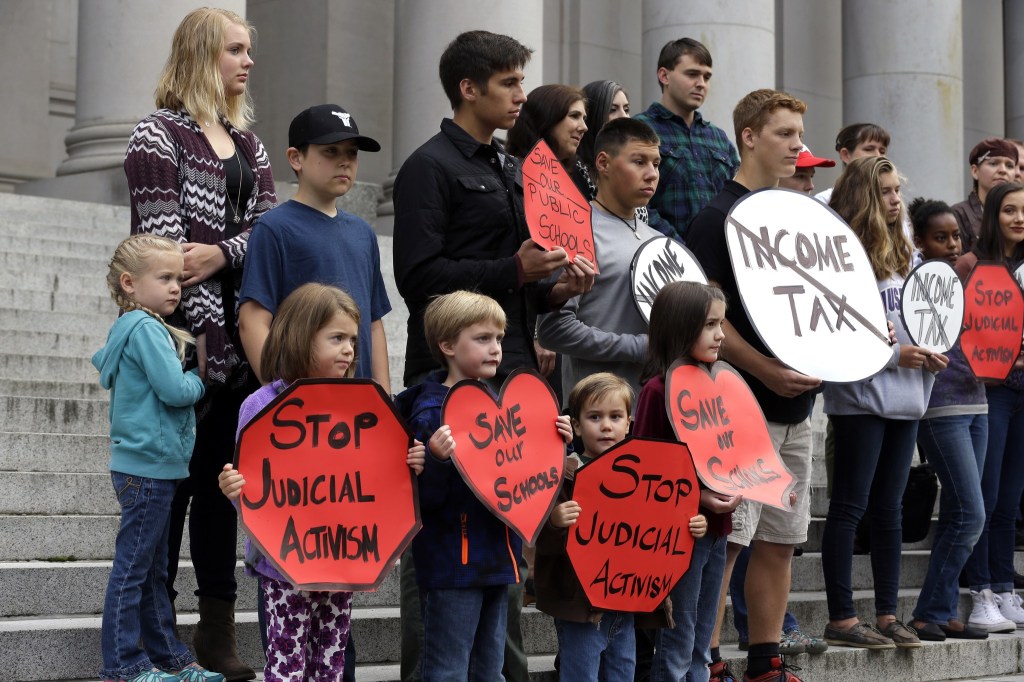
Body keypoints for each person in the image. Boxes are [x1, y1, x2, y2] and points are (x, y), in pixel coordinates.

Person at [392, 31, 593, 682]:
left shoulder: (511, 166)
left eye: (521, 81)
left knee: (509, 527)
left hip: (514, 378)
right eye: (508, 83)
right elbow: (418, 278)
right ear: (468, 89)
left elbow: (520, 278)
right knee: (444, 533)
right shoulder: (429, 166)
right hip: (445, 377)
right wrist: (511, 267)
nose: (521, 95)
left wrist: (554, 285)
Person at [123, 9, 277, 678]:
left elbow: (269, 230)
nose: (247, 61)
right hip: (181, 344)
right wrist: (215, 262)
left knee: (220, 493)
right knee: (172, 493)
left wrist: (222, 252)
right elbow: (166, 255)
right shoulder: (156, 135)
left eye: (249, 49)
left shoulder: (252, 145)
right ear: (200, 55)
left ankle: (217, 633)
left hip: (242, 340)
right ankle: (153, 632)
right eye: (234, 50)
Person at [218, 283, 426, 680]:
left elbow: (378, 480)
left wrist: (411, 464)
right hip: (282, 567)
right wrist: (235, 491)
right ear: (300, 337)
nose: (349, 349)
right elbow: (254, 493)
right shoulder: (260, 405)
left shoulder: (362, 408)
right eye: (336, 338)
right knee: (286, 664)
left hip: (341, 562)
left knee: (330, 663)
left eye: (352, 339)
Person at [687, 89, 818, 682]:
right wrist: (766, 370)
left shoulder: (800, 219)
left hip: (799, 405)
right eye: (786, 134)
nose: (798, 146)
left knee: (781, 538)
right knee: (728, 540)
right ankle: (708, 661)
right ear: (749, 136)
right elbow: (709, 318)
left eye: (798, 134)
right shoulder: (716, 217)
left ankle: (765, 658)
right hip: (738, 403)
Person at [392, 290, 573, 682]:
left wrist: (560, 439)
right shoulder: (430, 411)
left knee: (490, 670)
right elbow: (422, 501)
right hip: (452, 568)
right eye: (482, 339)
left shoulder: (498, 401)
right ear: (447, 346)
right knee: (448, 670)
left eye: (499, 338)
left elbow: (525, 471)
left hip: (498, 562)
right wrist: (438, 461)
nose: (495, 349)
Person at [822, 156, 948, 649]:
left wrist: (933, 351)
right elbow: (838, 329)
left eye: (899, 190)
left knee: (891, 509)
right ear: (865, 197)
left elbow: (925, 317)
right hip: (860, 397)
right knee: (850, 506)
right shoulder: (841, 256)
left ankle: (889, 613)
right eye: (888, 191)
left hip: (908, 398)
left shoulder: (909, 257)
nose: (897, 199)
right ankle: (843, 617)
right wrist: (898, 354)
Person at [92, 234, 220, 682]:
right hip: (147, 469)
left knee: (150, 572)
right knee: (133, 570)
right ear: (129, 283)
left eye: (178, 281)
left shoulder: (137, 328)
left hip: (150, 468)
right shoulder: (146, 329)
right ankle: (124, 665)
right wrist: (201, 380)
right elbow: (173, 391)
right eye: (163, 278)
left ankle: (171, 659)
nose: (174, 288)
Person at [535, 372, 707, 680]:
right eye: (594, 417)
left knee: (622, 673)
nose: (605, 426)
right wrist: (555, 521)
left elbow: (657, 532)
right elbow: (539, 538)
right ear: (575, 425)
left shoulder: (646, 479)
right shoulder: (564, 475)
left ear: (629, 424)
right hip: (580, 607)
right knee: (581, 674)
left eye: (615, 417)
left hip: (625, 605)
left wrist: (689, 526)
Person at [632, 281, 743, 682]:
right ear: (680, 327)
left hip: (716, 528)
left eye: (721, 324)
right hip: (679, 533)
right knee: (677, 640)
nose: (720, 335)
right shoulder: (656, 390)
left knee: (700, 641)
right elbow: (648, 472)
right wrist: (698, 497)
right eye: (710, 324)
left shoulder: (720, 385)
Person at [238, 103, 391, 390]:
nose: (345, 161)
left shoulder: (363, 232)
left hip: (358, 404)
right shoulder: (274, 228)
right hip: (304, 405)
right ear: (296, 158)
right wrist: (278, 396)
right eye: (330, 151)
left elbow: (372, 323)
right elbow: (253, 320)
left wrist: (384, 398)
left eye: (352, 153)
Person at [904, 198, 993, 640]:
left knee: (963, 511)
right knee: (971, 514)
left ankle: (938, 609)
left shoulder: (975, 281)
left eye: (956, 235)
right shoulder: (919, 283)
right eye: (941, 238)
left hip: (978, 401)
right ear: (919, 242)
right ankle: (926, 614)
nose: (953, 245)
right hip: (941, 407)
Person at [536, 117, 663, 401]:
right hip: (597, 413)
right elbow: (553, 331)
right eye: (639, 161)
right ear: (603, 163)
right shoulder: (574, 231)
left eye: (656, 163)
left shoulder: (657, 239)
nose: (652, 173)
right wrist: (639, 347)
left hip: (655, 407)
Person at [957, 182, 1024, 631]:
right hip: (988, 392)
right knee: (987, 491)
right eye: (1010, 210)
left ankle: (1004, 586)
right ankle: (979, 588)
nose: (1019, 218)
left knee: (1011, 497)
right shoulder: (971, 265)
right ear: (993, 213)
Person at [635, 37, 739, 242]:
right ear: (664, 75)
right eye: (692, 74)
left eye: (707, 77)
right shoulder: (639, 130)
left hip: (719, 260)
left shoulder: (719, 138)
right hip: (663, 258)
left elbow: (736, 199)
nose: (701, 84)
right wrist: (681, 248)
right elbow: (636, 203)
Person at [506, 83, 592, 199]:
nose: (584, 127)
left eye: (584, 118)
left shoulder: (580, 176)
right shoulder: (509, 176)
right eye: (574, 116)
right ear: (547, 119)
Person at [951, 138, 1019, 251]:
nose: (1003, 170)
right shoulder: (958, 214)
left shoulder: (1020, 215)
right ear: (975, 171)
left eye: (1009, 166)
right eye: (993, 163)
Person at [813, 123, 890, 205]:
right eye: (869, 149)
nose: (878, 156)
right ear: (845, 155)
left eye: (882, 151)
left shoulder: (893, 199)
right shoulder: (825, 200)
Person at [577, 80, 632, 172]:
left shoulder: (628, 165)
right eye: (613, 110)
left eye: (626, 110)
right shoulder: (575, 171)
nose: (624, 117)